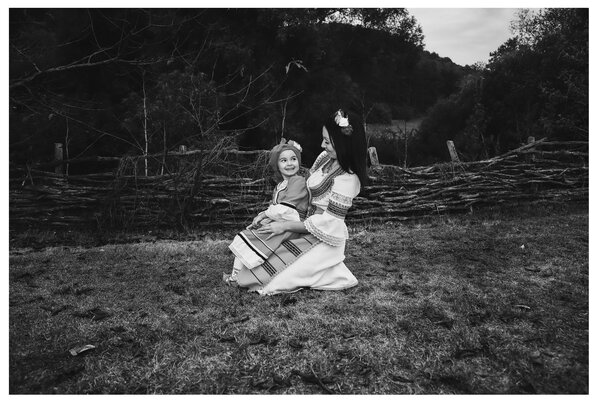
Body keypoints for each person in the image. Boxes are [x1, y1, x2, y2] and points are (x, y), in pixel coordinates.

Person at [224, 108, 368, 295]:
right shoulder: (325, 158)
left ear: (343, 143)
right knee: (263, 256)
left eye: (327, 141)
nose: (322, 145)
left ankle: (329, 269)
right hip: (301, 225)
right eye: (323, 139)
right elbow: (303, 186)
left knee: (276, 281)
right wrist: (273, 213)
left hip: (324, 238)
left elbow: (330, 222)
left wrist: (285, 226)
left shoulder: (348, 179)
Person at [225, 139, 309, 284]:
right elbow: (275, 208)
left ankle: (238, 277)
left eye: (293, 159)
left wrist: (265, 214)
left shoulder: (298, 181)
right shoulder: (280, 185)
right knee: (249, 234)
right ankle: (238, 275)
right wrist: (263, 218)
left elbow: (286, 209)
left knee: (248, 237)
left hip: (291, 227)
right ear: (277, 165)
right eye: (283, 160)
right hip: (281, 223)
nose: (289, 163)